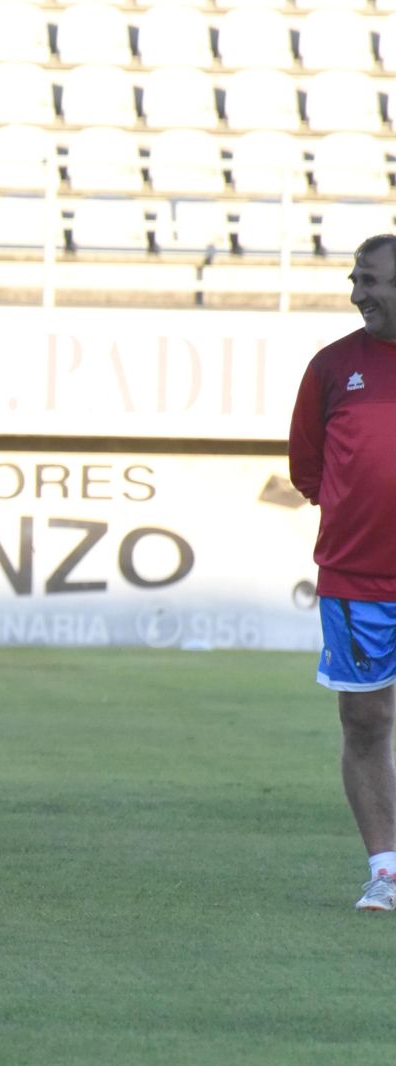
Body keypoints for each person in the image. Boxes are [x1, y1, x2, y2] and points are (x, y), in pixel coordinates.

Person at [289, 233, 396, 912]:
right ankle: (386, 872)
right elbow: (308, 472)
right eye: (355, 280)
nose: (358, 293)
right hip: (358, 581)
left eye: (372, 281)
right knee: (364, 723)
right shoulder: (332, 367)